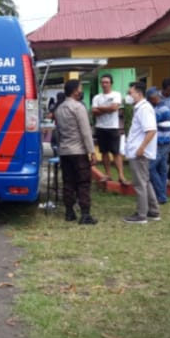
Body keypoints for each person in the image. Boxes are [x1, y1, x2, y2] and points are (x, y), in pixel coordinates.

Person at [53, 79, 98, 225]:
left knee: (68, 182)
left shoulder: (59, 109)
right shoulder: (78, 107)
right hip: (78, 151)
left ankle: (69, 212)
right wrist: (91, 151)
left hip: (65, 151)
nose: (81, 91)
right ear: (75, 91)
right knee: (83, 182)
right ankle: (85, 214)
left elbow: (58, 132)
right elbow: (86, 132)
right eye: (80, 88)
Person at [123, 81, 161, 224]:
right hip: (138, 151)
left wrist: (141, 148)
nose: (128, 95)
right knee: (145, 182)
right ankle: (153, 211)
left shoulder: (144, 109)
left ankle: (141, 215)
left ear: (138, 94)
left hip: (140, 153)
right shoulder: (140, 108)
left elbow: (151, 130)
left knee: (140, 184)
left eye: (130, 93)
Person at [91, 74, 129, 185]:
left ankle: (121, 175)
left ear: (111, 83)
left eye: (107, 82)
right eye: (102, 82)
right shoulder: (97, 97)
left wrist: (100, 108)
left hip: (113, 127)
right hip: (100, 127)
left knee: (116, 152)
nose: (104, 84)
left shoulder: (116, 94)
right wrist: (108, 109)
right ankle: (108, 174)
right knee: (104, 152)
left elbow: (114, 108)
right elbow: (94, 111)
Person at [146, 87, 170, 204]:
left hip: (161, 143)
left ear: (153, 98)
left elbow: (152, 125)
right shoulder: (160, 108)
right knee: (162, 170)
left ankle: (161, 195)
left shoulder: (160, 110)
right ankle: (162, 196)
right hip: (166, 143)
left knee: (150, 168)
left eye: (149, 99)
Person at [49, 91, 66, 156]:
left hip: (57, 127)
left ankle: (56, 157)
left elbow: (50, 116)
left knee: (54, 143)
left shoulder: (55, 105)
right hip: (66, 127)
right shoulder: (66, 105)